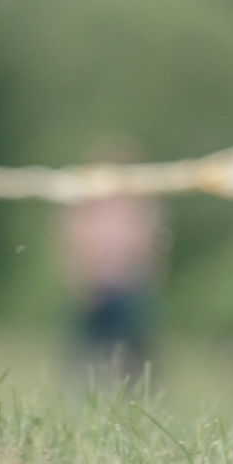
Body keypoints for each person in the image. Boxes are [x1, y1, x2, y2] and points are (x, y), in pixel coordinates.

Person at [59, 141, 166, 386]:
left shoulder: (139, 202)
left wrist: (150, 274)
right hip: (95, 284)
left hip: (130, 282)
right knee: (90, 343)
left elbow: (152, 240)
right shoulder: (84, 203)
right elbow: (71, 241)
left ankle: (137, 388)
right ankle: (86, 388)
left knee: (134, 343)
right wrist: (77, 277)